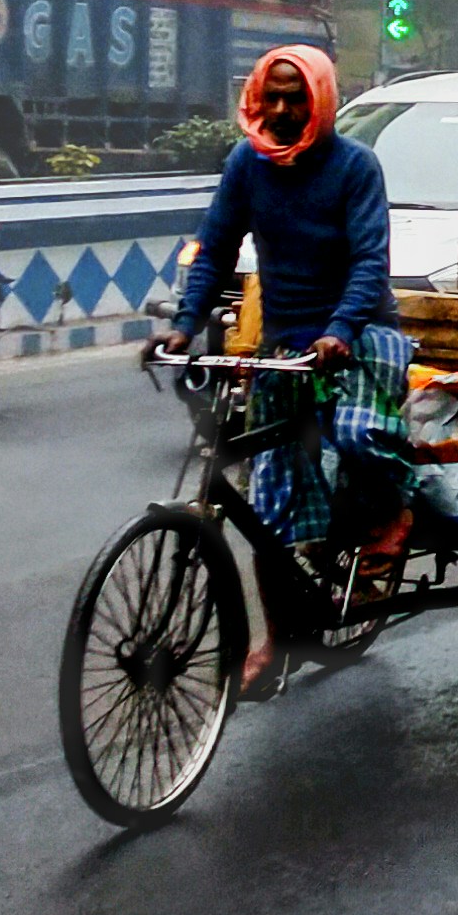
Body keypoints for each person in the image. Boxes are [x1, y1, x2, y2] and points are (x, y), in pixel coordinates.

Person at [161, 48, 410, 671]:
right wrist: (183, 327)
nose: (279, 109)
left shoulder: (356, 167)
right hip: (285, 351)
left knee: (356, 432)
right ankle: (278, 643)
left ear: (320, 100)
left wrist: (340, 330)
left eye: (294, 97)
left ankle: (392, 512)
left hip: (359, 335)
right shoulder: (247, 163)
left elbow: (368, 262)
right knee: (268, 501)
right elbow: (214, 249)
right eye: (270, 96)